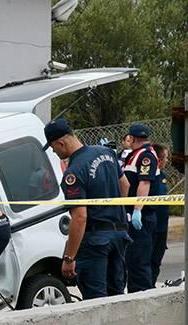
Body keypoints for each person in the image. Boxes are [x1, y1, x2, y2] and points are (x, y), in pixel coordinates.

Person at [43, 119, 130, 300]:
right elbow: (125, 185)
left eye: (52, 147)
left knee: (96, 301)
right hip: (119, 235)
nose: (53, 151)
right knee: (118, 297)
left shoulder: (74, 172)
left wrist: (69, 258)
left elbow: (80, 217)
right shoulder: (106, 153)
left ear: (61, 143)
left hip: (96, 241)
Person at [122, 122, 159, 292]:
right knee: (132, 261)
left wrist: (137, 210)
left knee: (138, 262)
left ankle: (142, 299)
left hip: (142, 217)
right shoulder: (134, 154)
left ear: (133, 137)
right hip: (133, 215)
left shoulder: (146, 156)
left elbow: (144, 183)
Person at [150, 144, 170, 286]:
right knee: (148, 263)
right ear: (159, 159)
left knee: (156, 262)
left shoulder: (162, 176)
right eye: (166, 157)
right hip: (152, 227)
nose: (167, 160)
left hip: (162, 227)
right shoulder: (150, 177)